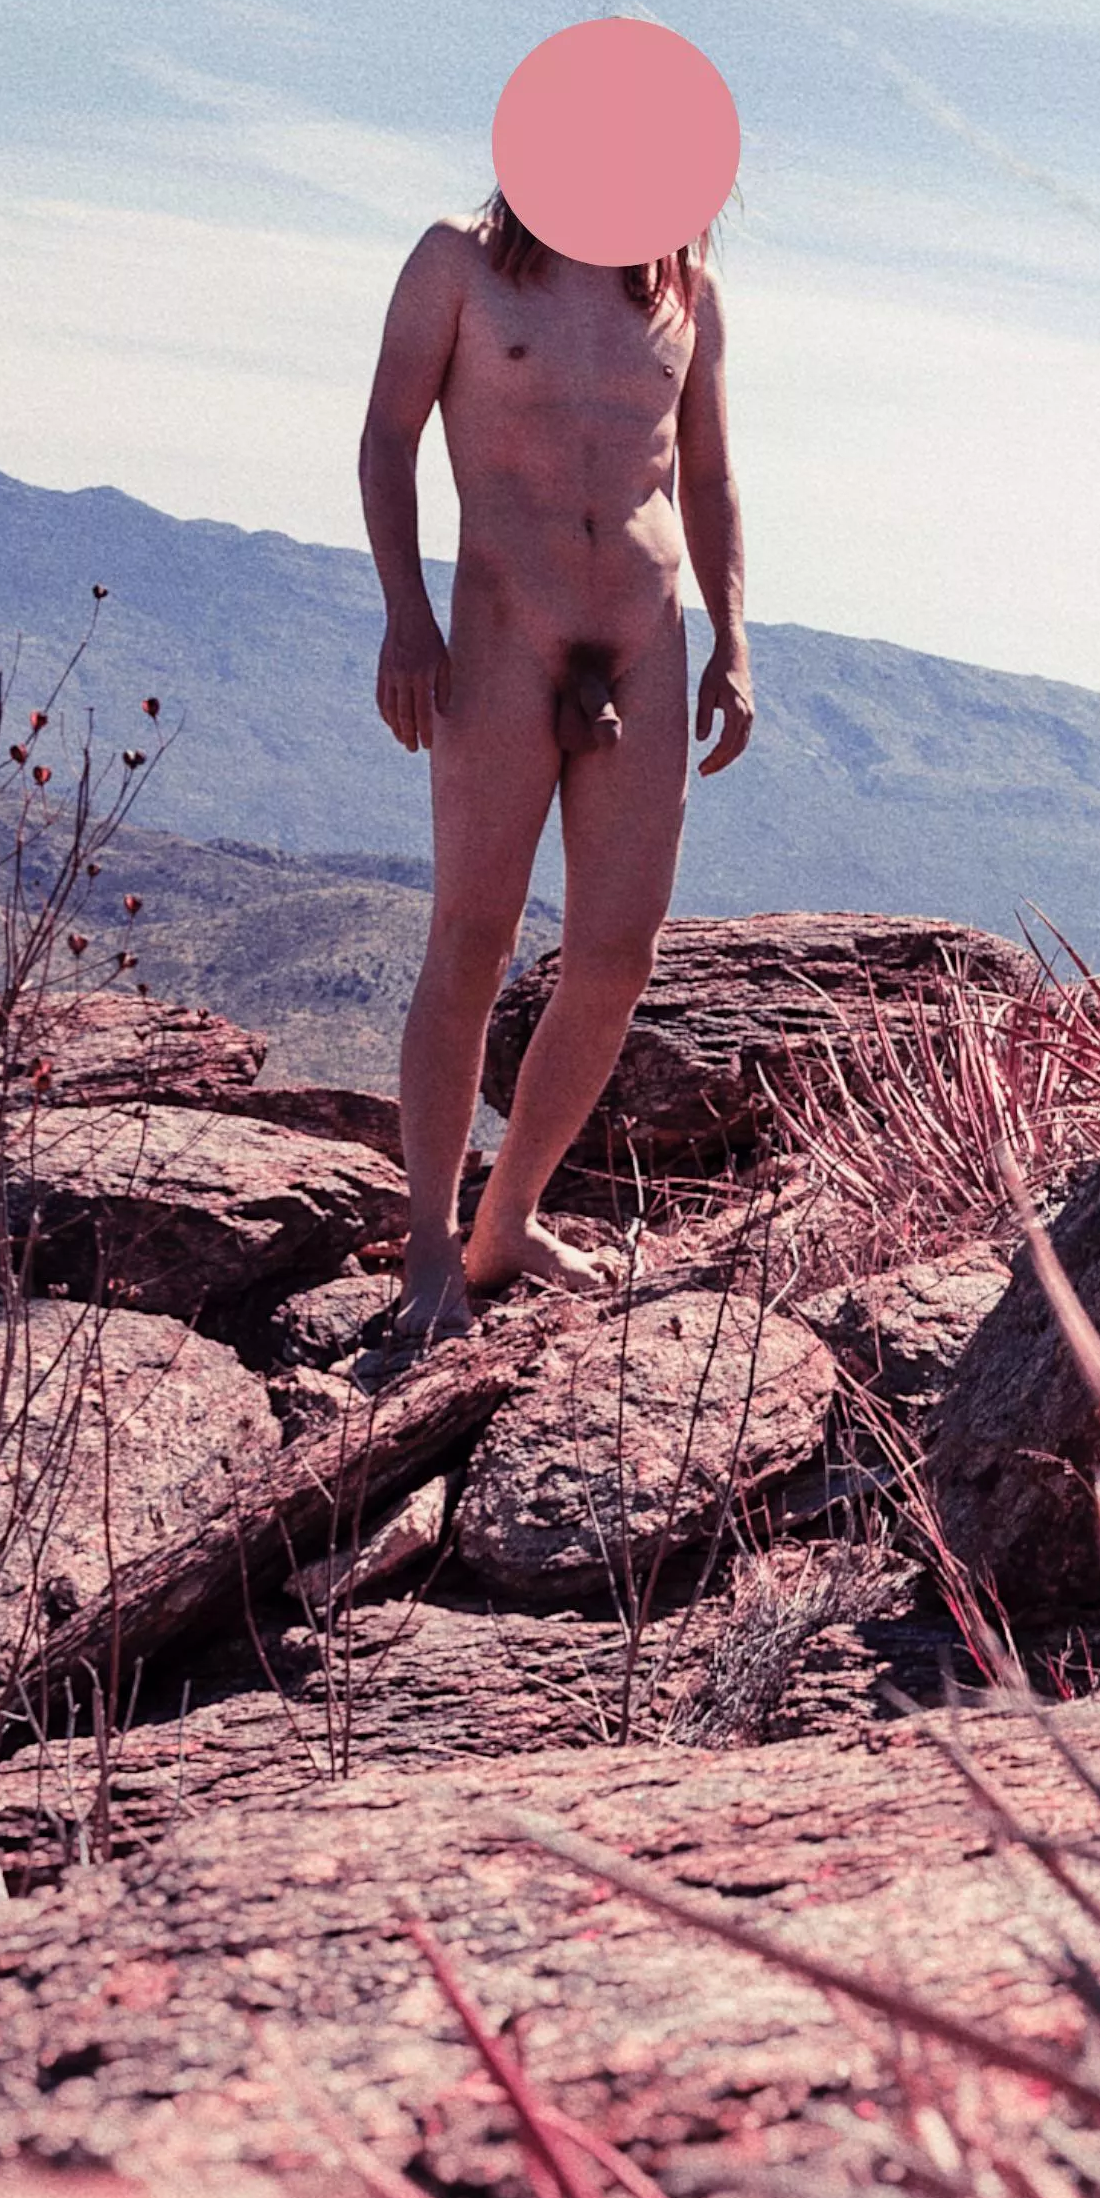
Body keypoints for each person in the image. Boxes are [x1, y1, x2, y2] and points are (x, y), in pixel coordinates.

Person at [355, 187, 754, 1343]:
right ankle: (430, 1244)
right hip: (499, 629)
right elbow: (389, 434)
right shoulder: (460, 267)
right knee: (471, 936)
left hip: (646, 635)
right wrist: (403, 613)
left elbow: (711, 477)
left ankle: (508, 1216)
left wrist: (733, 641)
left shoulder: (687, 294)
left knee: (618, 954)